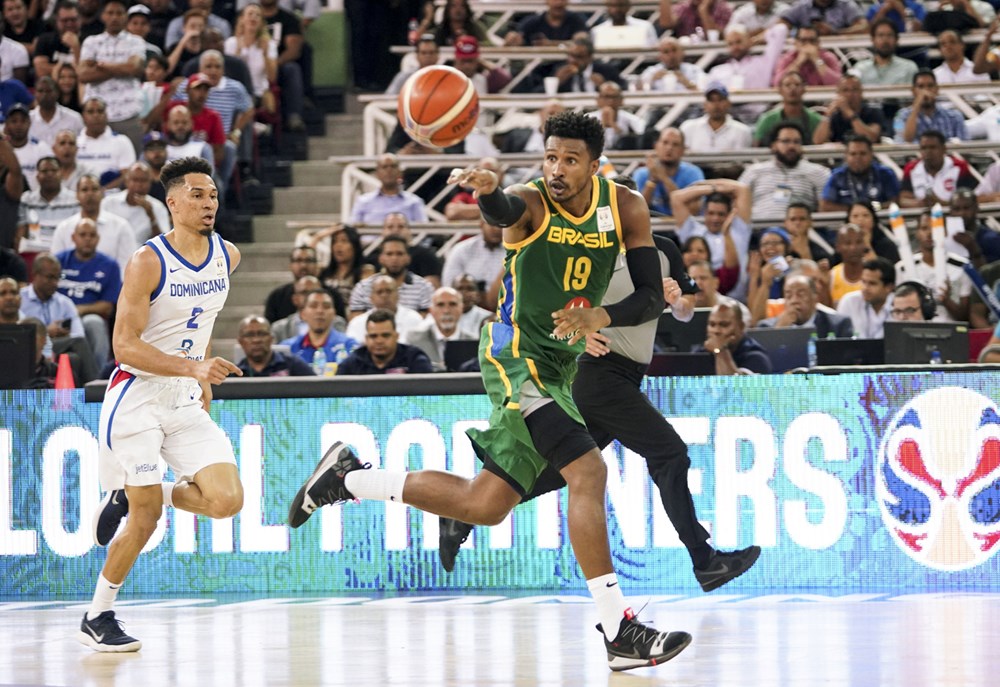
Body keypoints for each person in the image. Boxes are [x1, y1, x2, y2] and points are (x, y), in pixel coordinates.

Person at [287, 111, 692, 671]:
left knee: (485, 505)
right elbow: (506, 208)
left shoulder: (625, 206)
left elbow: (651, 296)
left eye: (570, 159)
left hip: (558, 369)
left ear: (595, 165)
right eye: (550, 156)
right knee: (589, 471)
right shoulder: (528, 200)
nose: (556, 168)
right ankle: (618, 630)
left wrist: (602, 313)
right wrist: (487, 194)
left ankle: (348, 477)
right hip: (513, 353)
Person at [440, 235, 762, 582]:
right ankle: (705, 561)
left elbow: (686, 313)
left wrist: (675, 301)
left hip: (624, 376)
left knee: (563, 469)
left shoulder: (665, 249)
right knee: (670, 454)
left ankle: (466, 512)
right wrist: (579, 335)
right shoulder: (585, 249)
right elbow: (545, 307)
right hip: (600, 375)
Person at [81, 157, 244, 652]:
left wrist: (201, 379)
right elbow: (123, 347)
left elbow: (203, 319)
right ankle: (98, 615)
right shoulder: (147, 261)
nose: (208, 202)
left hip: (184, 395)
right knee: (146, 520)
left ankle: (134, 491)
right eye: (196, 194)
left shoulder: (228, 255)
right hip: (137, 397)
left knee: (226, 501)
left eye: (212, 194)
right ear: (171, 203)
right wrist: (193, 367)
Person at [78, 0, 147, 153]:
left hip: (129, 113)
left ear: (125, 17)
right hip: (97, 115)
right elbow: (83, 75)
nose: (114, 17)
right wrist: (121, 67)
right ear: (103, 16)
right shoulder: (92, 42)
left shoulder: (136, 41)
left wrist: (103, 65)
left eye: (119, 13)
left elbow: (134, 68)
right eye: (110, 13)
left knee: (132, 165)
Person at [671, 178, 753, 300]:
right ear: (704, 213)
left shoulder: (738, 230)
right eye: (711, 213)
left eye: (721, 214)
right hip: (697, 299)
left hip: (736, 300)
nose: (715, 218)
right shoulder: (693, 231)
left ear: (729, 214)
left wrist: (711, 185)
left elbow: (743, 189)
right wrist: (712, 188)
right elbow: (676, 197)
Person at [55, 217, 121, 366]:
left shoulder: (110, 265)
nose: (87, 239)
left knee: (94, 323)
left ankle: (97, 377)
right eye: (83, 235)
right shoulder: (58, 261)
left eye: (92, 235)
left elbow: (107, 307)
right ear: (73, 237)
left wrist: (79, 310)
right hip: (58, 316)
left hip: (88, 317)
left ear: (98, 239)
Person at [49, 173, 138, 276]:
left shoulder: (121, 226)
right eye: (84, 190)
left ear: (102, 193)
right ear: (76, 195)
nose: (90, 194)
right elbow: (55, 265)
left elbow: (127, 266)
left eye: (94, 189)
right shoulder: (64, 228)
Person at [739, 121, 831, 218]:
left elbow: (825, 210)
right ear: (773, 146)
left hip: (799, 228)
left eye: (796, 142)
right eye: (786, 141)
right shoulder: (754, 171)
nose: (792, 146)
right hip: (758, 229)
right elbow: (737, 202)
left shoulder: (818, 172)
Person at [894, 211, 971, 322]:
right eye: (924, 228)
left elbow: (965, 317)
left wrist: (946, 300)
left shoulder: (962, 266)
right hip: (914, 329)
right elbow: (899, 311)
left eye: (934, 228)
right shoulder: (903, 268)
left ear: (944, 232)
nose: (929, 233)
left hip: (950, 330)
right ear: (917, 233)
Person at [349, 234, 434, 316]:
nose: (394, 258)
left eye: (399, 254)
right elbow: (357, 324)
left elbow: (425, 325)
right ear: (381, 258)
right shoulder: (363, 288)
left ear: (408, 258)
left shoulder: (424, 287)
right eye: (389, 254)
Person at [282, 290, 358, 375]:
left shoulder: (349, 345)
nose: (320, 311)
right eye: (313, 306)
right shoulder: (288, 348)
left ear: (334, 314)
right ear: (303, 314)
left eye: (326, 306)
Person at [336, 308, 433, 375]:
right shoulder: (353, 363)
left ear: (396, 336)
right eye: (373, 336)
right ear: (366, 339)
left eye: (385, 335)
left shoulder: (415, 359)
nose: (379, 341)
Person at [633, 128, 705, 217]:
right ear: (656, 146)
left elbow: (693, 211)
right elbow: (636, 212)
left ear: (683, 150)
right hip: (651, 228)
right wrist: (652, 180)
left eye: (675, 144)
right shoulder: (641, 174)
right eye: (665, 142)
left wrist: (664, 178)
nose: (669, 148)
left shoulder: (694, 173)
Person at [16, 155, 79, 256]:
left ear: (61, 174)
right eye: (44, 171)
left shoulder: (75, 200)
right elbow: (20, 236)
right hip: (34, 254)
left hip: (65, 254)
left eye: (54, 170)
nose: (49, 174)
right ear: (37, 176)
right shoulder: (27, 199)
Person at [404, 286, 479, 370]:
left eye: (452, 304)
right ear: (431, 311)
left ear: (461, 308)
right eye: (440, 305)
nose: (446, 310)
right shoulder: (415, 340)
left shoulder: (473, 342)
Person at [757, 273, 855, 336]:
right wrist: (779, 331)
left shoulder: (837, 325)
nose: (794, 300)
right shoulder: (766, 328)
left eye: (801, 294)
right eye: (788, 295)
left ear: (815, 298)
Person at [820, 136, 899, 213]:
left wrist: (871, 210)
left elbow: (895, 202)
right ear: (846, 156)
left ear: (871, 155)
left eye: (863, 153)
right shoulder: (837, 176)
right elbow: (825, 205)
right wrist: (854, 211)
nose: (858, 158)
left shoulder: (885, 173)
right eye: (853, 154)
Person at [898, 130, 975, 208]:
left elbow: (968, 200)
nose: (928, 152)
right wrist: (920, 204)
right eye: (924, 148)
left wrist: (940, 203)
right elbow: (903, 199)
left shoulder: (959, 167)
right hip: (921, 216)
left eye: (933, 147)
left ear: (944, 149)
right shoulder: (911, 168)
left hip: (952, 216)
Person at [694, 298, 772, 374]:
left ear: (741, 327)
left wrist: (720, 351)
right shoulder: (700, 354)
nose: (716, 331)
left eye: (724, 325)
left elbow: (730, 385)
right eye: (712, 324)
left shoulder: (756, 357)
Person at [349, 153, 428, 226]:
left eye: (393, 166)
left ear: (400, 173)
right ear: (377, 174)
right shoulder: (363, 201)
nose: (389, 170)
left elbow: (425, 233)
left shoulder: (414, 202)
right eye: (384, 167)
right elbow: (352, 231)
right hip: (369, 241)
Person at [100, 162, 171, 243]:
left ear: (150, 183)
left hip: (141, 253)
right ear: (126, 181)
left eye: (143, 180)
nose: (139, 185)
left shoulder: (157, 207)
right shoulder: (109, 203)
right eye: (135, 180)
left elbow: (164, 243)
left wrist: (151, 216)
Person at [345, 273, 425, 342]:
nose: (384, 296)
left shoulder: (414, 319)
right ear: (371, 298)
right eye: (379, 292)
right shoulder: (357, 323)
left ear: (398, 295)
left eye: (389, 291)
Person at [893, 70, 968, 143]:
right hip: (913, 155)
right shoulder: (900, 116)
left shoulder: (955, 116)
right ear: (913, 91)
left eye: (930, 86)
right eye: (921, 87)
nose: (926, 91)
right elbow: (906, 140)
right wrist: (916, 106)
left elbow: (965, 148)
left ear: (937, 89)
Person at [753, 71, 824, 146]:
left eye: (797, 85)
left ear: (804, 89)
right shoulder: (767, 120)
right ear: (780, 90)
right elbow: (756, 147)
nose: (792, 89)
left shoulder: (816, 120)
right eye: (787, 85)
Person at [811, 74, 885, 145]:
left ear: (861, 93)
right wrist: (828, 114)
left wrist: (849, 113)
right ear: (838, 94)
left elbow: (871, 138)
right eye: (845, 90)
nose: (850, 94)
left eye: (855, 89)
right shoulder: (834, 115)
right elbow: (818, 141)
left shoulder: (873, 112)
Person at [679, 82, 752, 154]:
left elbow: (741, 162)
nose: (716, 105)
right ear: (705, 104)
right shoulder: (688, 128)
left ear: (728, 103)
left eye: (720, 100)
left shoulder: (742, 131)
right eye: (711, 100)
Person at [236, 314, 314, 377]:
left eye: (262, 334)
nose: (256, 340)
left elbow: (318, 390)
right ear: (241, 341)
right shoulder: (236, 373)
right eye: (250, 335)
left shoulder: (293, 365)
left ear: (271, 338)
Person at [835, 256, 895, 338]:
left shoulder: (899, 306)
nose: (865, 288)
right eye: (863, 281)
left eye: (872, 283)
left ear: (889, 287)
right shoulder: (849, 301)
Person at [440, 217, 504, 291]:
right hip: (467, 300)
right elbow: (449, 286)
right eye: (492, 224)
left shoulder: (514, 251)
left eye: (501, 225)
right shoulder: (462, 250)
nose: (497, 229)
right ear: (481, 224)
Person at [853, 19, 918, 87]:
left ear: (896, 39)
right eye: (880, 35)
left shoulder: (909, 68)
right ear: (872, 40)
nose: (885, 40)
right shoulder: (860, 69)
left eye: (889, 35)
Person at [772, 24, 842, 87]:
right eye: (803, 40)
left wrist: (816, 60)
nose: (808, 44)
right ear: (796, 43)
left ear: (818, 43)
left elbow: (837, 83)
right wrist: (799, 61)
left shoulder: (828, 57)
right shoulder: (787, 58)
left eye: (812, 40)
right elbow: (777, 83)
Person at [29, 76, 84, 147]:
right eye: (40, 91)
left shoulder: (74, 119)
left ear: (57, 93)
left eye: (48, 91)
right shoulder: (28, 119)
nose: (44, 95)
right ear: (35, 94)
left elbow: (82, 145)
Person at [639, 35, 705, 93]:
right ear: (660, 57)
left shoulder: (694, 70)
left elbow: (704, 95)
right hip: (657, 106)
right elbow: (638, 92)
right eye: (666, 52)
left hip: (689, 106)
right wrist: (652, 80)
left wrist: (686, 83)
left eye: (674, 50)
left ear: (682, 53)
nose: (671, 55)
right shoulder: (651, 71)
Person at [829, 223, 870, 305]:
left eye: (858, 242)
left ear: (864, 245)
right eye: (848, 243)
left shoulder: (873, 274)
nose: (853, 248)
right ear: (838, 247)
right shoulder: (831, 277)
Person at [780, 0, 868, 34]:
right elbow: (781, 25)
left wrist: (835, 32)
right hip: (806, 47)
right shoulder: (801, 6)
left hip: (842, 50)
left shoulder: (846, 5)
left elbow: (864, 27)